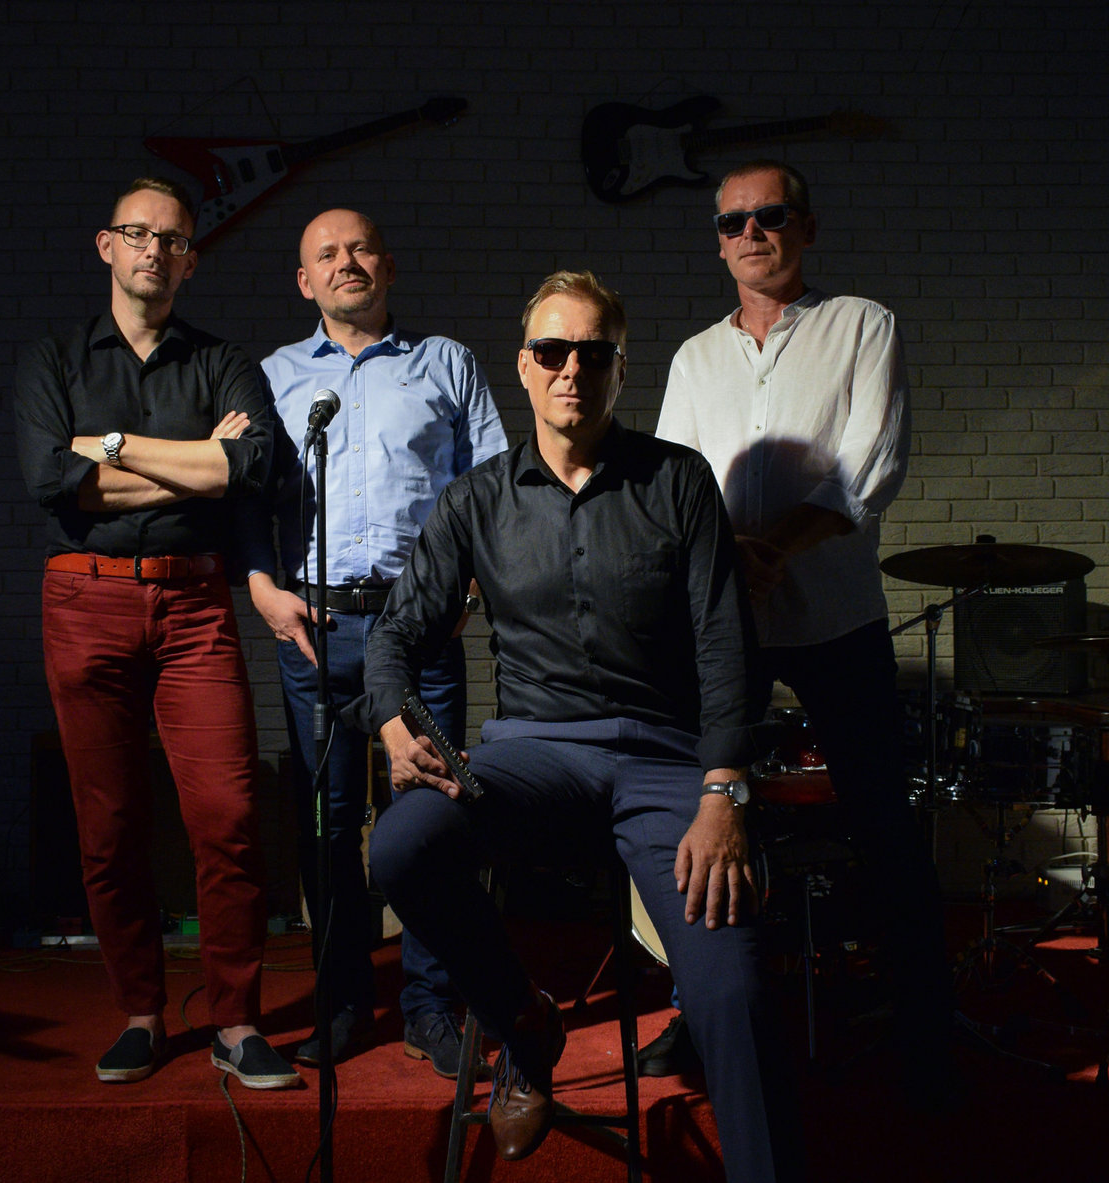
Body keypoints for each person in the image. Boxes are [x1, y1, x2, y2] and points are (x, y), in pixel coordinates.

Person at [351, 271, 803, 1181]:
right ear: (523, 366)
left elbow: (726, 646)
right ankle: (523, 1020)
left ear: (619, 369)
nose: (572, 370)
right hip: (533, 756)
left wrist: (725, 791)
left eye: (593, 354)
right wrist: (395, 721)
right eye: (552, 351)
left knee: (734, 988)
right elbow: (397, 633)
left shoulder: (678, 481)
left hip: (668, 763)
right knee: (399, 846)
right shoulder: (477, 499)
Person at [654, 160, 955, 1098]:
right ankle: (703, 1016)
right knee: (708, 817)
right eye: (732, 222)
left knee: (882, 823)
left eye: (770, 215)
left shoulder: (862, 325)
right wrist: (724, 562)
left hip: (837, 619)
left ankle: (924, 1030)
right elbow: (673, 488)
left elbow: (871, 462)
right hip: (725, 627)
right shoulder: (694, 359)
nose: (751, 232)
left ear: (806, 228)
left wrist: (774, 545)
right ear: (718, 243)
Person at [14, 176, 297, 1090]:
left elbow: (251, 467)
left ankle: (237, 1020)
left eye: (172, 239)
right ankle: (141, 1011)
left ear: (191, 260)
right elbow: (50, 481)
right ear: (107, 246)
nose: (154, 251)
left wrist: (111, 447)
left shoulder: (221, 361)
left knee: (229, 815)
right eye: (138, 234)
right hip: (85, 598)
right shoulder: (53, 360)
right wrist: (197, 462)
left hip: (193, 603)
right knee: (108, 825)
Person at [240, 209, 506, 1076]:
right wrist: (263, 586)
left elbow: (493, 486)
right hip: (312, 630)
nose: (345, 262)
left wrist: (470, 586)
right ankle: (345, 999)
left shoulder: (447, 363)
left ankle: (430, 1004)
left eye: (360, 249)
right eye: (327, 254)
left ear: (388, 266)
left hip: (416, 625)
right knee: (326, 825)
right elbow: (244, 498)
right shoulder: (274, 376)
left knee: (424, 818)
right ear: (304, 281)